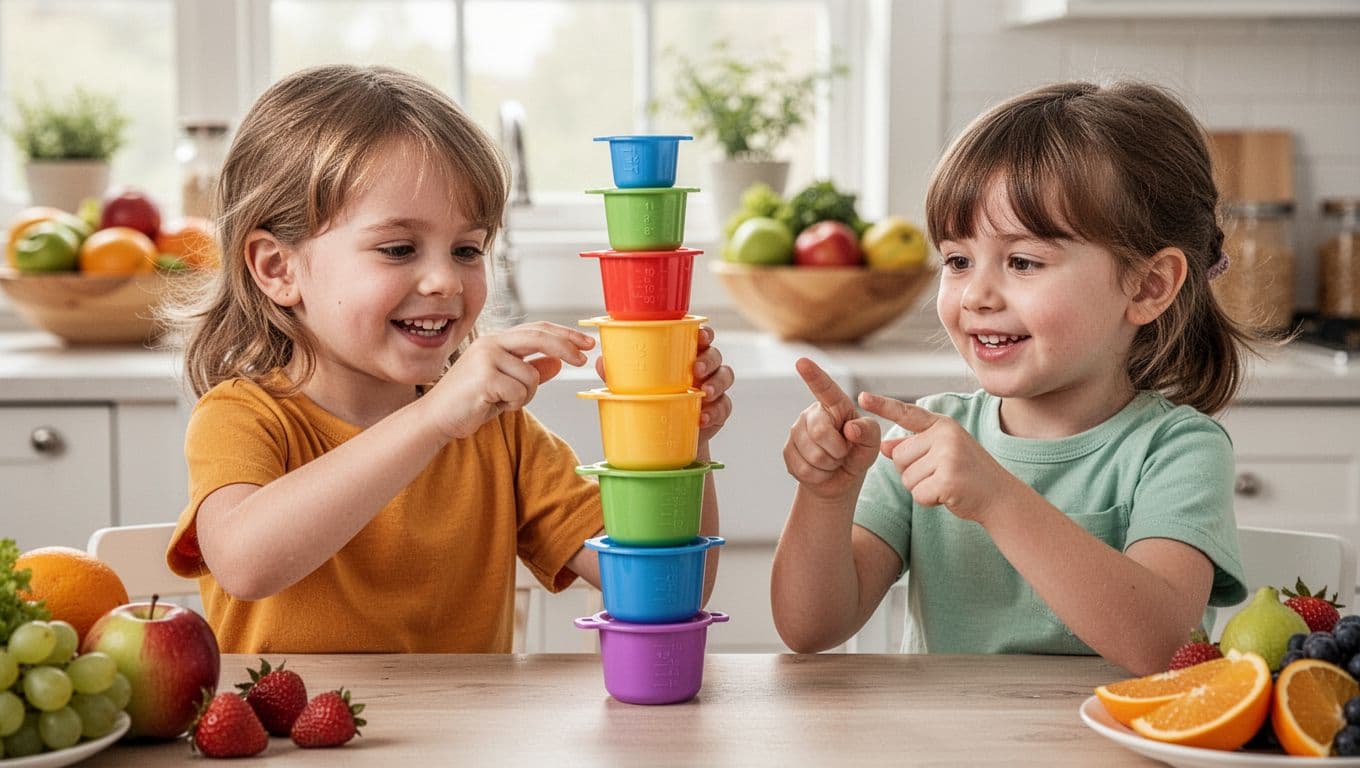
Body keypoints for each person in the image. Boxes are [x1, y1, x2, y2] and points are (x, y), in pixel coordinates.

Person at [163, 64, 734, 653]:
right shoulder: (243, 417)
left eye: (467, 249)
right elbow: (245, 564)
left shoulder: (499, 434)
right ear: (277, 269)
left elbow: (669, 590)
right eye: (398, 249)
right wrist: (433, 420)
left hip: (461, 744)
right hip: (291, 744)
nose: (444, 280)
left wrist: (680, 438)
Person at [771, 81, 1258, 674]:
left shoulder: (1176, 451)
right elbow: (809, 628)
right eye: (957, 261)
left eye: (1023, 261)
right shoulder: (929, 440)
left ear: (1148, 286)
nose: (976, 294)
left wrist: (996, 497)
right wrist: (824, 496)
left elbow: (1163, 647)